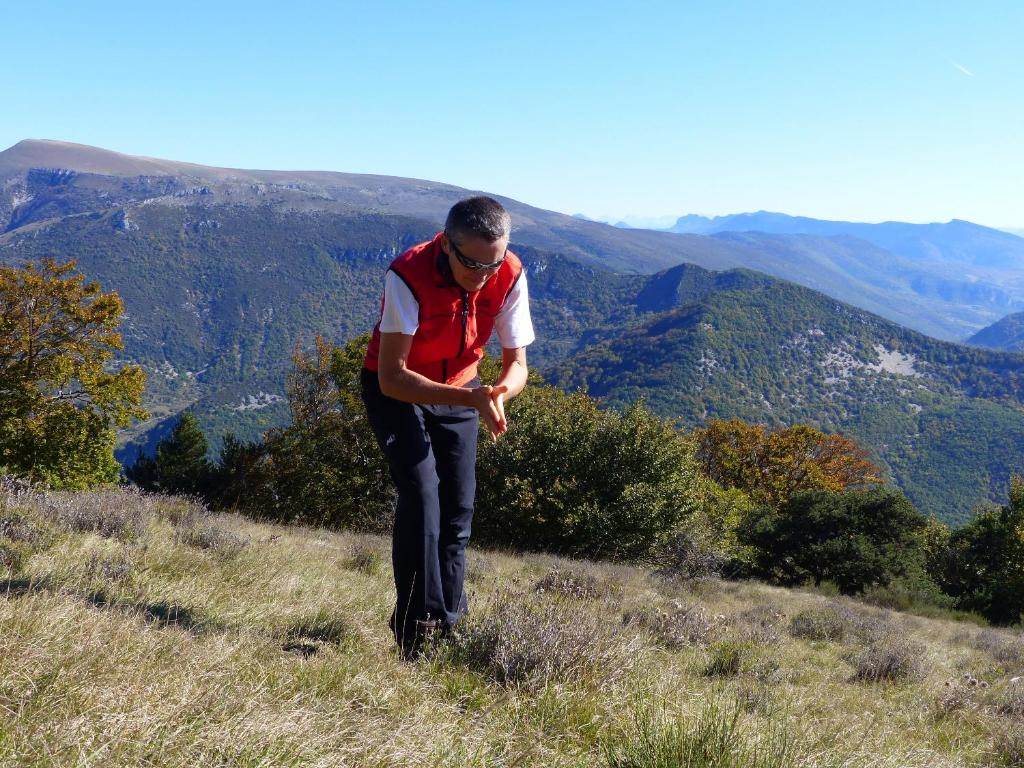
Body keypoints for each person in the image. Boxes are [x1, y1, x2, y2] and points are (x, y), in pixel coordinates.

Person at [360, 196, 534, 658]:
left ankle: (450, 629)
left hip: (463, 386)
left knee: (458, 511)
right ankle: (417, 634)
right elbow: (392, 377)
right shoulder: (408, 273)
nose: (483, 275)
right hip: (398, 390)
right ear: (446, 244)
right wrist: (471, 399)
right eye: (472, 263)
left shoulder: (510, 271)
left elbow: (518, 363)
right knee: (422, 499)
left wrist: (499, 393)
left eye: (492, 264)